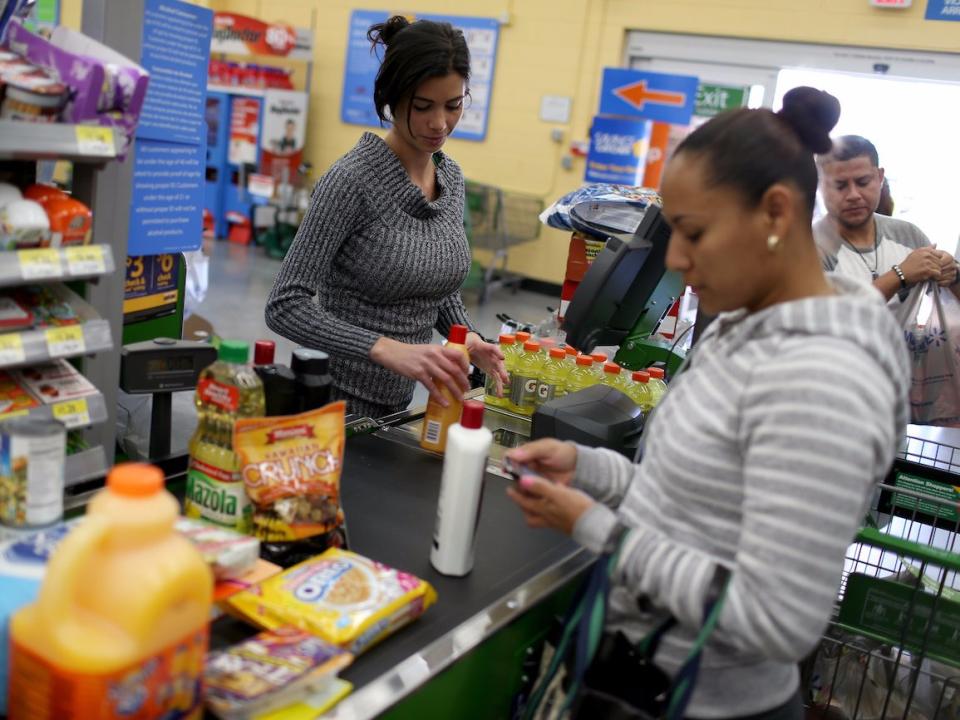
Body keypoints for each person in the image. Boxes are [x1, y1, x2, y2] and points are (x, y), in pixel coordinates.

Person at [506, 88, 910, 719]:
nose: (674, 257)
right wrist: (591, 469)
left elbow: (777, 618)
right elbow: (700, 501)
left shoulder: (825, 378)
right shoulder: (740, 318)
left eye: (693, 232)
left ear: (776, 214)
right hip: (640, 672)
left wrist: (594, 527)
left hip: (708, 703)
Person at [265, 16, 507, 419]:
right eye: (424, 106)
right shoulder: (351, 181)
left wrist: (467, 338)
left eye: (453, 105)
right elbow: (284, 305)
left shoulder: (450, 177)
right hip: (333, 405)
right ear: (392, 99)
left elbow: (432, 280)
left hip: (397, 409)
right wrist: (383, 348)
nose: (440, 123)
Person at [814, 135, 959, 306]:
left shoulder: (907, 235)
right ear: (819, 185)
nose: (853, 195)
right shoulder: (809, 247)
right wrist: (899, 275)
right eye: (840, 185)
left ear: (880, 177)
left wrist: (953, 275)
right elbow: (830, 318)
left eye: (863, 182)